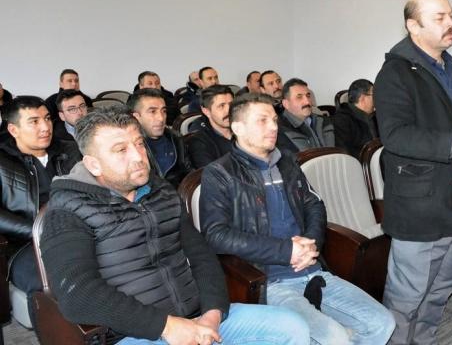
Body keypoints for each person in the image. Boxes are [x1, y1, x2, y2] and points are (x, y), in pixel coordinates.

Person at [39, 106, 310, 345]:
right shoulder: (67, 210)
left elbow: (201, 255)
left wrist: (213, 313)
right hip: (137, 333)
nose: (138, 156)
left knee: (292, 327)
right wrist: (166, 327)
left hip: (199, 318)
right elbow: (77, 293)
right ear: (93, 164)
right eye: (121, 150)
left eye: (139, 144)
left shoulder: (161, 192)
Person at [199, 93, 395, 344]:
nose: (273, 127)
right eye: (262, 120)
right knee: (334, 338)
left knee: (382, 322)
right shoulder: (220, 173)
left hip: (312, 267)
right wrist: (286, 251)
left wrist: (311, 241)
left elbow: (314, 204)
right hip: (270, 279)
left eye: (274, 120)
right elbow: (216, 234)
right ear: (238, 128)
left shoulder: (287, 161)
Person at [374, 0, 452, 344]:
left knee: (440, 289)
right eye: (439, 18)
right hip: (420, 205)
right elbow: (395, 136)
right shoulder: (395, 72)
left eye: (451, 14)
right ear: (414, 26)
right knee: (406, 298)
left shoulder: (448, 65)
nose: (451, 23)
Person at [0, 96, 81, 326]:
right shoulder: (3, 161)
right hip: (27, 243)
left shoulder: (69, 150)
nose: (45, 127)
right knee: (55, 284)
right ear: (13, 129)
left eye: (47, 118)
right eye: (34, 121)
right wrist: (37, 230)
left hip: (79, 231)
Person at [128, 89, 191, 188]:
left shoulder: (176, 138)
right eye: (152, 112)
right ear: (136, 117)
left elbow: (189, 174)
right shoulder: (129, 149)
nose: (161, 118)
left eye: (164, 111)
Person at [276, 78, 334, 153]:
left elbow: (338, 152)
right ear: (286, 104)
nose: (307, 102)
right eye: (299, 97)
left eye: (308, 96)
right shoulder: (279, 129)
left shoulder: (324, 121)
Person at [187, 85, 234, 169]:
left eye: (231, 104)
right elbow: (212, 173)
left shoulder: (245, 128)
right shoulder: (199, 140)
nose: (229, 110)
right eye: (221, 106)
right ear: (206, 111)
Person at [331, 79, 378, 157]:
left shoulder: (375, 116)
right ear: (362, 98)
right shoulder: (342, 120)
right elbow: (344, 153)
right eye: (374, 95)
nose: (376, 99)